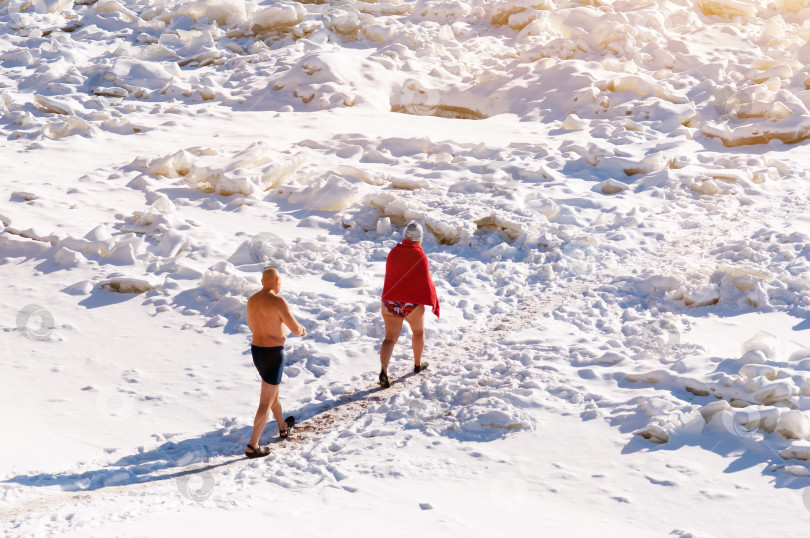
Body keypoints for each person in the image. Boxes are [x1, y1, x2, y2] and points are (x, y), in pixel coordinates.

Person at [244, 267, 307, 458]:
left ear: (263, 281)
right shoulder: (278, 301)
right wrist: (302, 330)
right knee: (266, 400)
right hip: (273, 354)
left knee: (272, 393)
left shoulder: (252, 300)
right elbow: (295, 329)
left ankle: (282, 427)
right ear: (278, 281)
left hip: (257, 352)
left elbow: (252, 326)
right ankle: (253, 445)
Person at [378, 221, 440, 388]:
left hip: (390, 302)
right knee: (418, 332)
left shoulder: (393, 252)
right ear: (419, 239)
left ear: (405, 237)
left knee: (390, 338)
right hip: (410, 304)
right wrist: (433, 300)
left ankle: (383, 371)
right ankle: (418, 365)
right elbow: (425, 281)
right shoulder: (420, 256)